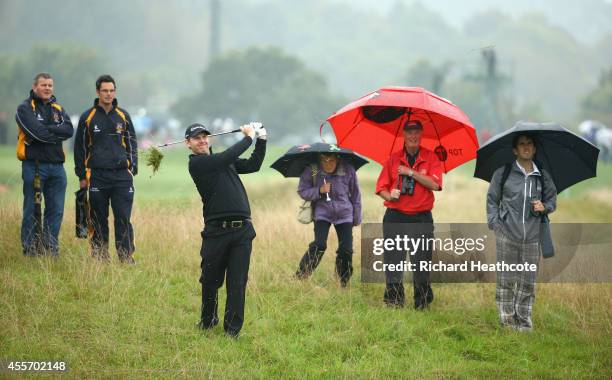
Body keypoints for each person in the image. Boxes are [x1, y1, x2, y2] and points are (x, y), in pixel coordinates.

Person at [186, 122, 267, 337]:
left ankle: (232, 331)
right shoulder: (198, 164)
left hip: (242, 231)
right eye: (196, 138)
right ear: (188, 144)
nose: (202, 140)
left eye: (205, 136)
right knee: (210, 279)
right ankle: (208, 320)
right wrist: (248, 137)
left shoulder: (223, 162)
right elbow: (224, 158)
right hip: (216, 231)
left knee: (237, 282)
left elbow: (253, 165)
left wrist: (261, 139)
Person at [486, 134, 557, 331]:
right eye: (522, 144)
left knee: (528, 283)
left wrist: (545, 207)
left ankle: (524, 324)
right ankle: (507, 322)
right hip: (506, 235)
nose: (526, 147)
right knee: (506, 281)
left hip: (533, 238)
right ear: (515, 150)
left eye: (530, 144)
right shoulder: (504, 173)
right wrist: (494, 224)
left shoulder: (542, 175)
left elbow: (552, 201)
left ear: (534, 149)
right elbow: (492, 199)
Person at [375, 120, 443, 309]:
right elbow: (380, 188)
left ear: (421, 134)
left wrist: (411, 173)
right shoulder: (393, 159)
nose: (413, 136)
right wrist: (391, 195)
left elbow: (435, 185)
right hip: (395, 216)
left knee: (421, 263)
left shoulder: (431, 158)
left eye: (416, 132)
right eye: (409, 132)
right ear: (403, 135)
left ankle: (422, 303)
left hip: (421, 217)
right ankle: (394, 301)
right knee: (393, 261)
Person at [74, 75, 138, 263]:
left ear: (114, 92)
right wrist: (81, 175)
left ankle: (126, 258)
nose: (108, 94)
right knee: (98, 220)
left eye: (111, 90)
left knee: (123, 218)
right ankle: (100, 258)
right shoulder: (88, 117)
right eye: (105, 91)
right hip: (97, 176)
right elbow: (79, 148)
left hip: (121, 177)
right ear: (98, 92)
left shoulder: (123, 116)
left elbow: (132, 143)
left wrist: (132, 169)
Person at [15, 73, 74, 256]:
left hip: (57, 168)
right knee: (32, 209)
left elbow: (69, 130)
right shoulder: (24, 108)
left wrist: (46, 129)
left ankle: (50, 249)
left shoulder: (58, 109)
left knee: (55, 210)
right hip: (34, 166)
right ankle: (31, 249)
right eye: (43, 85)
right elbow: (36, 134)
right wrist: (54, 132)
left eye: (50, 85)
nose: (47, 88)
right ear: (35, 87)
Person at [294, 153, 362, 287]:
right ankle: (301, 276)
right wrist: (319, 190)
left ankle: (343, 282)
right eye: (324, 160)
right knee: (319, 245)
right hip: (322, 212)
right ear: (319, 159)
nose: (328, 163)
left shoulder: (348, 169)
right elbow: (302, 191)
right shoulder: (312, 170)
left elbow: (356, 195)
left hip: (344, 214)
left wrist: (356, 218)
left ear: (338, 159)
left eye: (331, 160)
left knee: (346, 249)